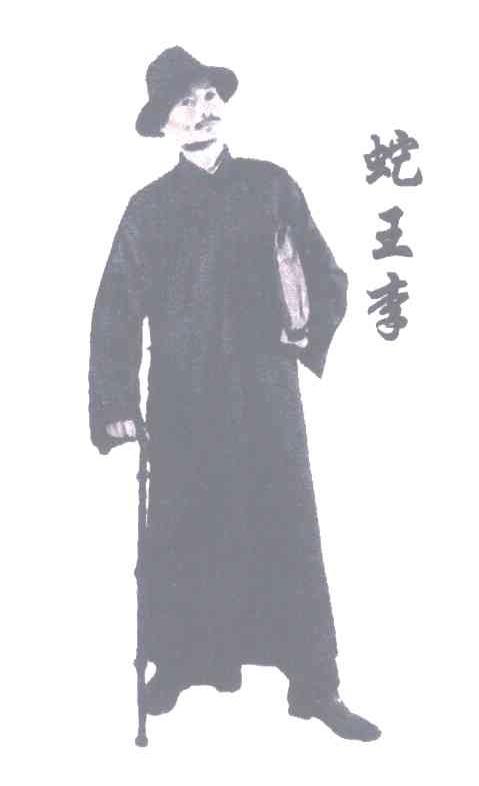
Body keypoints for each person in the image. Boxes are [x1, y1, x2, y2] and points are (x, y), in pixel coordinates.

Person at [88, 46, 381, 742]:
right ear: (164, 124)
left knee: (285, 529)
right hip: (183, 398)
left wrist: (303, 332)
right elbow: (116, 310)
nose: (203, 111)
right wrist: (117, 402)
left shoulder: (271, 186)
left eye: (209, 97)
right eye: (184, 103)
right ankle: (181, 663)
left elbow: (326, 275)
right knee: (185, 528)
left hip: (266, 394)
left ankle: (314, 685)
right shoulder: (148, 210)